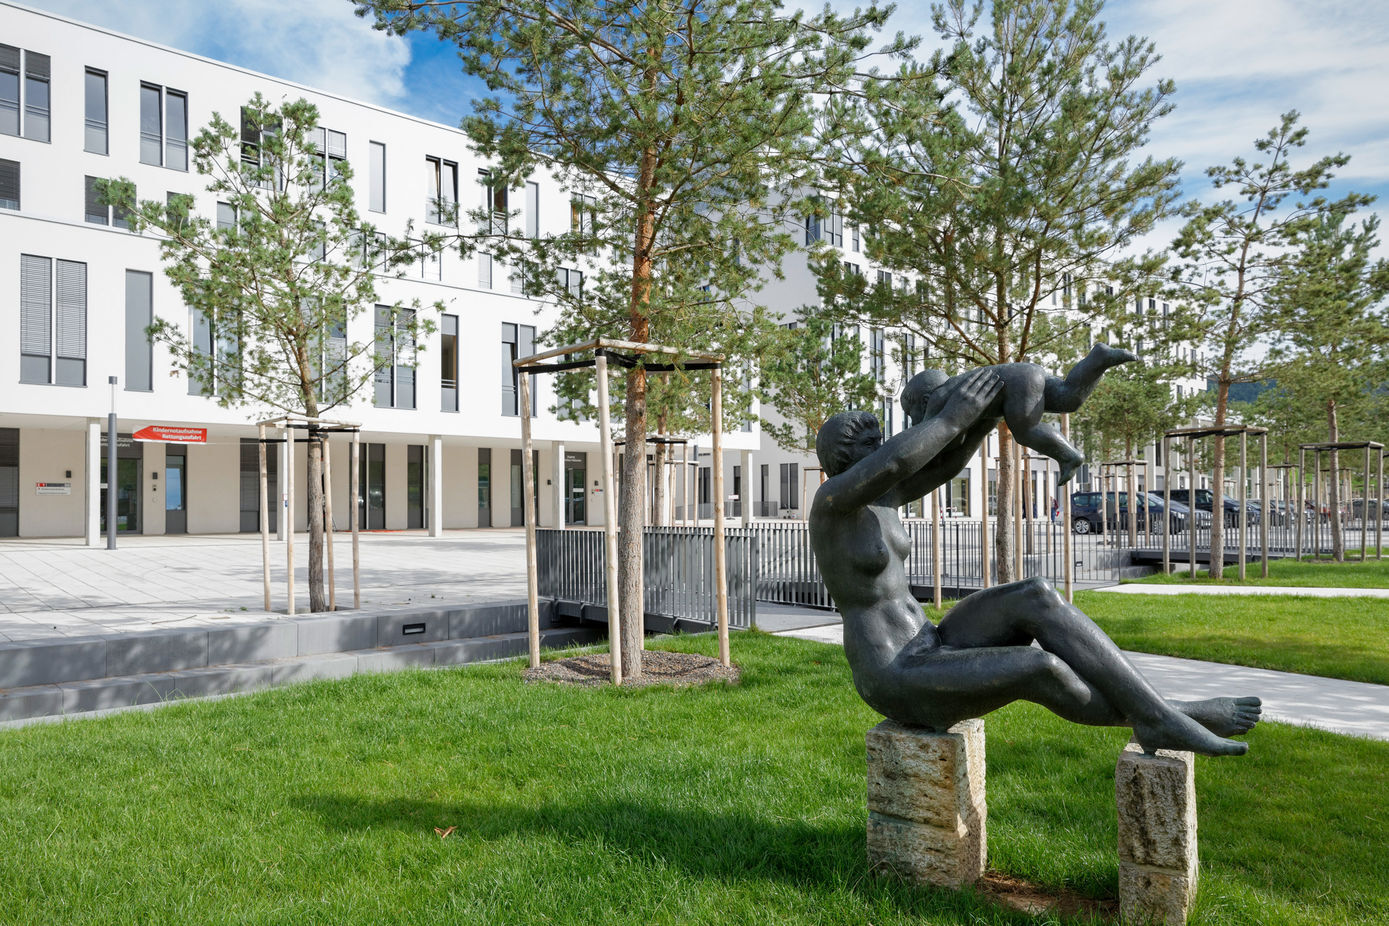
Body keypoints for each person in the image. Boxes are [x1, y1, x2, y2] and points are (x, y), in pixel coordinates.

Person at [809, 369, 1260, 755]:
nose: (885, 446)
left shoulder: (884, 499)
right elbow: (896, 462)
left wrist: (990, 407)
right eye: (872, 444)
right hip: (895, 676)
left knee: (1036, 595)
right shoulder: (832, 503)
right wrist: (950, 417)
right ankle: (1165, 717)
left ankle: (1161, 714)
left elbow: (943, 466)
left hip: (929, 644)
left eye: (880, 440)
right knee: (1038, 668)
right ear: (845, 460)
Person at [900, 344, 1137, 485]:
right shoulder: (954, 388)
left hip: (1015, 384)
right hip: (1027, 373)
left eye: (912, 415)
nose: (914, 421)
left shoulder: (938, 399)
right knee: (1068, 397)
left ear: (923, 400)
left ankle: (1069, 456)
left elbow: (940, 438)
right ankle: (1098, 359)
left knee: (1026, 431)